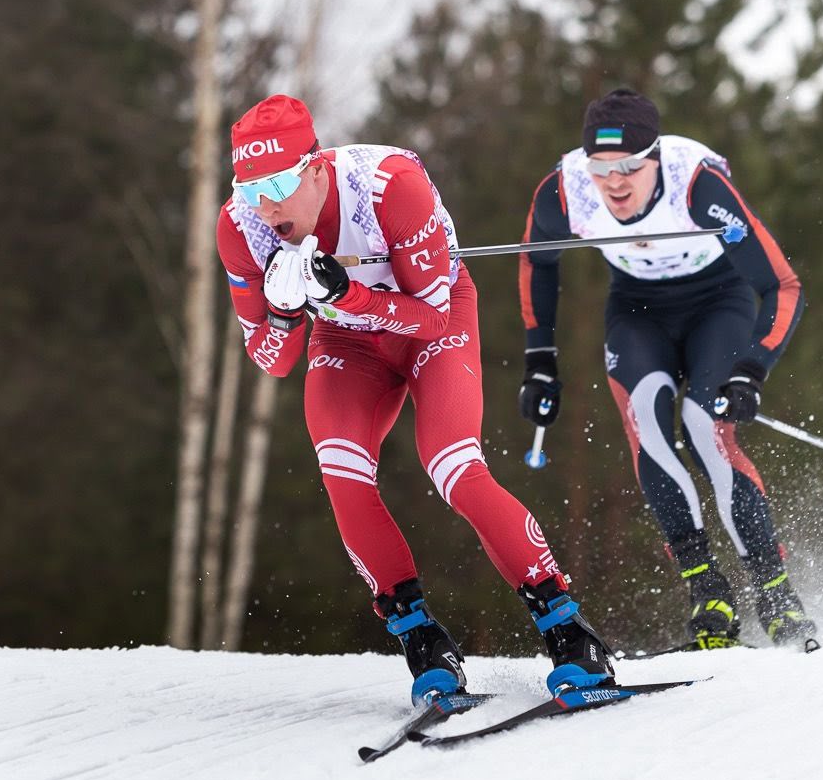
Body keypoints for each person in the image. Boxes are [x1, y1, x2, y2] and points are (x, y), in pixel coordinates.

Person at [216, 93, 614, 704]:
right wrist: (281, 309)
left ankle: (568, 630)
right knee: (341, 468)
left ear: (316, 167)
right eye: (249, 190)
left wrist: (346, 294)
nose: (265, 207)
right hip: (347, 343)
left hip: (433, 318)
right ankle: (423, 641)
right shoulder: (240, 229)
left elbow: (428, 319)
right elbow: (273, 360)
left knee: (454, 465)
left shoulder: (389, 187)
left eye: (278, 184)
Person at [516, 87, 818, 650]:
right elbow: (538, 263)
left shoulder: (699, 184)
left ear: (656, 157)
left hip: (717, 303)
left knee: (706, 428)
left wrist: (752, 370)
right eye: (601, 167)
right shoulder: (564, 190)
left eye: (631, 165)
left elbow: (782, 285)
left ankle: (775, 593)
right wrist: (539, 361)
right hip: (637, 310)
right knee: (649, 430)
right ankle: (708, 593)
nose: (615, 182)